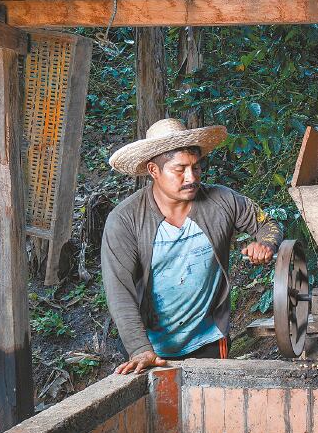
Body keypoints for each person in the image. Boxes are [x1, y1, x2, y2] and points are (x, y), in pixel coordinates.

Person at [102, 118, 282, 374]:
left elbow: (268, 223)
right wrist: (139, 348)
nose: (191, 177)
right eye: (180, 169)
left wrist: (266, 243)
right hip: (152, 349)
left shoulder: (223, 201)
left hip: (209, 339)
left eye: (196, 167)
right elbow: (119, 290)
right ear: (153, 170)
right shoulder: (125, 220)